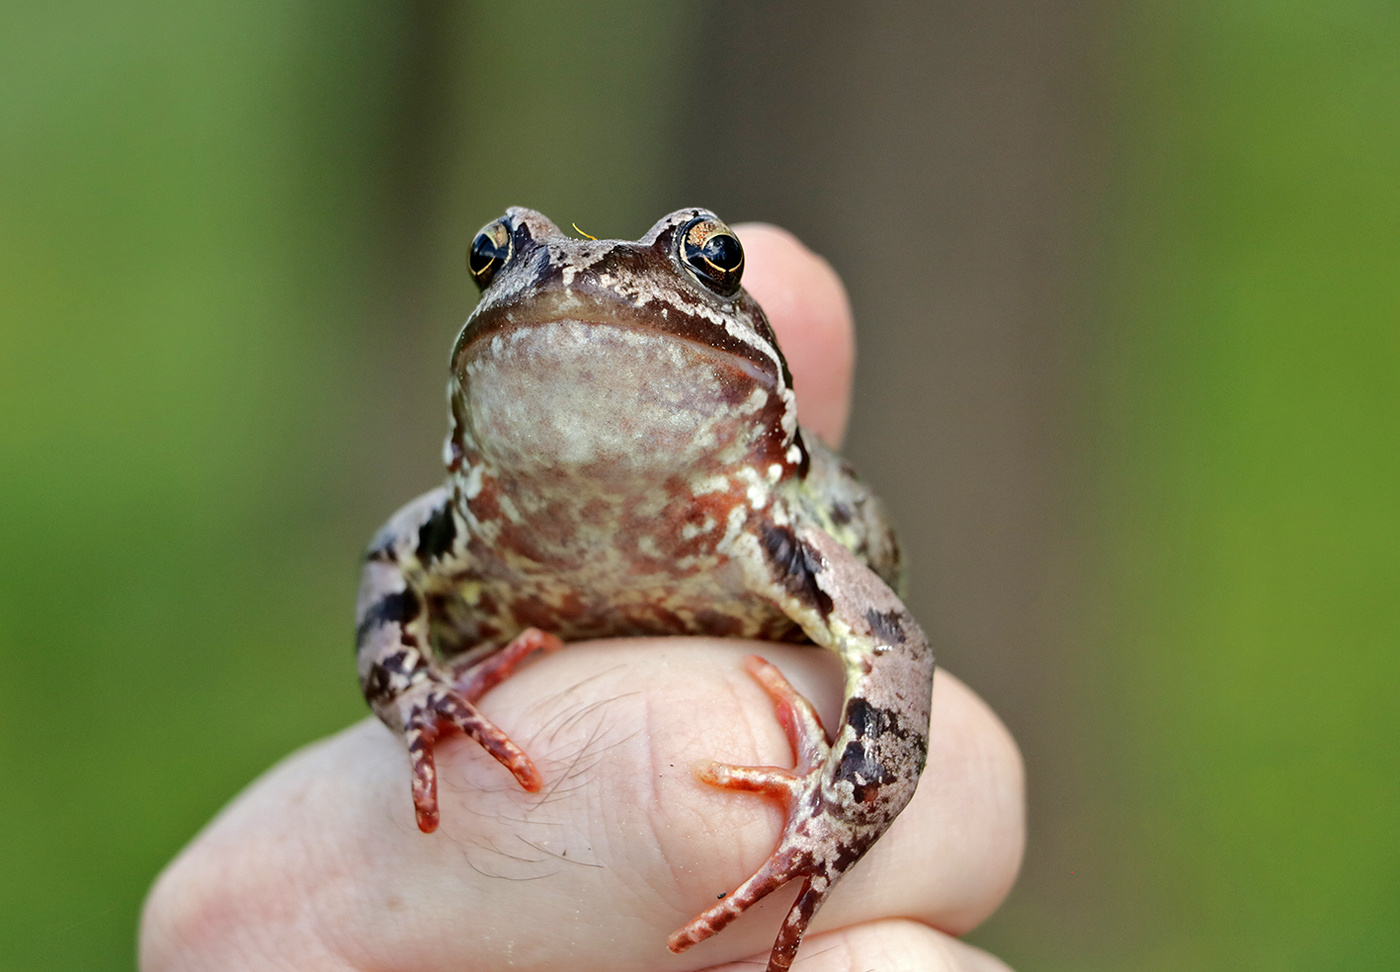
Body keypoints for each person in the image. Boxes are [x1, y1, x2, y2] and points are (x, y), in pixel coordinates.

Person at [139, 225, 1026, 972]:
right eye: (495, 257)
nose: (571, 286)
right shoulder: (462, 527)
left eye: (707, 259)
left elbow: (894, 648)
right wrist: (413, 696)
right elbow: (388, 570)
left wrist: (836, 818)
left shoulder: (781, 533)